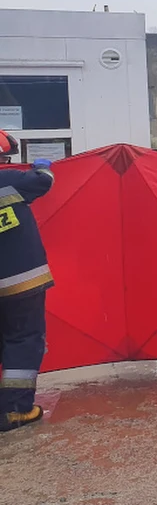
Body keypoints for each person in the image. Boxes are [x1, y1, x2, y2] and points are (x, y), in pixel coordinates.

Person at [0, 131, 55, 433]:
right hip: (22, 283)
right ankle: (16, 410)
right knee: (22, 341)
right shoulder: (13, 180)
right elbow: (44, 179)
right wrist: (41, 165)